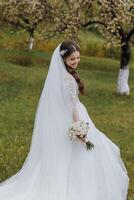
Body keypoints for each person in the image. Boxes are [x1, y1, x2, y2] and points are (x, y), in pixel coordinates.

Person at [0, 40, 129, 200]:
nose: (76, 62)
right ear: (63, 60)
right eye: (72, 59)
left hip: (67, 117)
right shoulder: (68, 79)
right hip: (74, 118)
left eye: (77, 58)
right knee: (84, 152)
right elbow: (72, 107)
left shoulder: (62, 75)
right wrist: (79, 127)